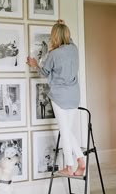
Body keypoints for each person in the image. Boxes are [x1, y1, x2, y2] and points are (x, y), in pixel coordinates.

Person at [26, 19, 85, 176]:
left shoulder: (54, 54)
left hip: (59, 96)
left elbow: (44, 73)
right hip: (74, 96)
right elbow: (68, 40)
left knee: (64, 131)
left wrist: (34, 64)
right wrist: (63, 26)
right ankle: (80, 160)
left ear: (55, 37)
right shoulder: (74, 49)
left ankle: (69, 166)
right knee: (67, 130)